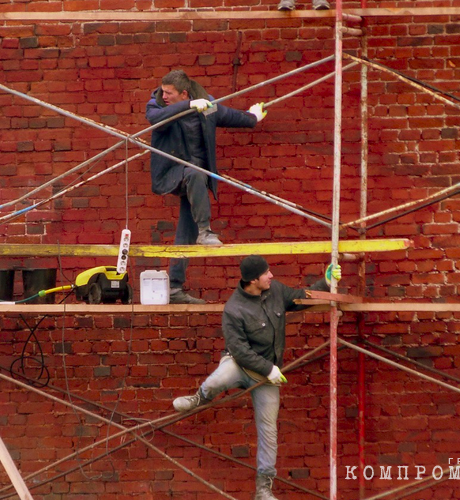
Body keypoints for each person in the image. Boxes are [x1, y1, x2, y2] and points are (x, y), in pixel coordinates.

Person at [172, 255, 341, 500]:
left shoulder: (276, 291)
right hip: (240, 364)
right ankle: (200, 397)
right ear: (253, 280)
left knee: (268, 430)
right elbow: (239, 350)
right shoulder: (234, 308)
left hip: (267, 375)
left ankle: (263, 488)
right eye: (266, 273)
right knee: (218, 379)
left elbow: (300, 298)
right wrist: (269, 369)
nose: (271, 275)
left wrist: (324, 283)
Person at [145, 69, 267, 304]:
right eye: (163, 91)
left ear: (184, 92)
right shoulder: (157, 106)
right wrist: (190, 105)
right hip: (174, 174)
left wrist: (252, 118)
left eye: (169, 92)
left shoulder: (207, 106)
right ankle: (206, 232)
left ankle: (174, 287)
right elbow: (155, 120)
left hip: (196, 180)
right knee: (194, 174)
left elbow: (228, 115)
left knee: (185, 231)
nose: (164, 95)